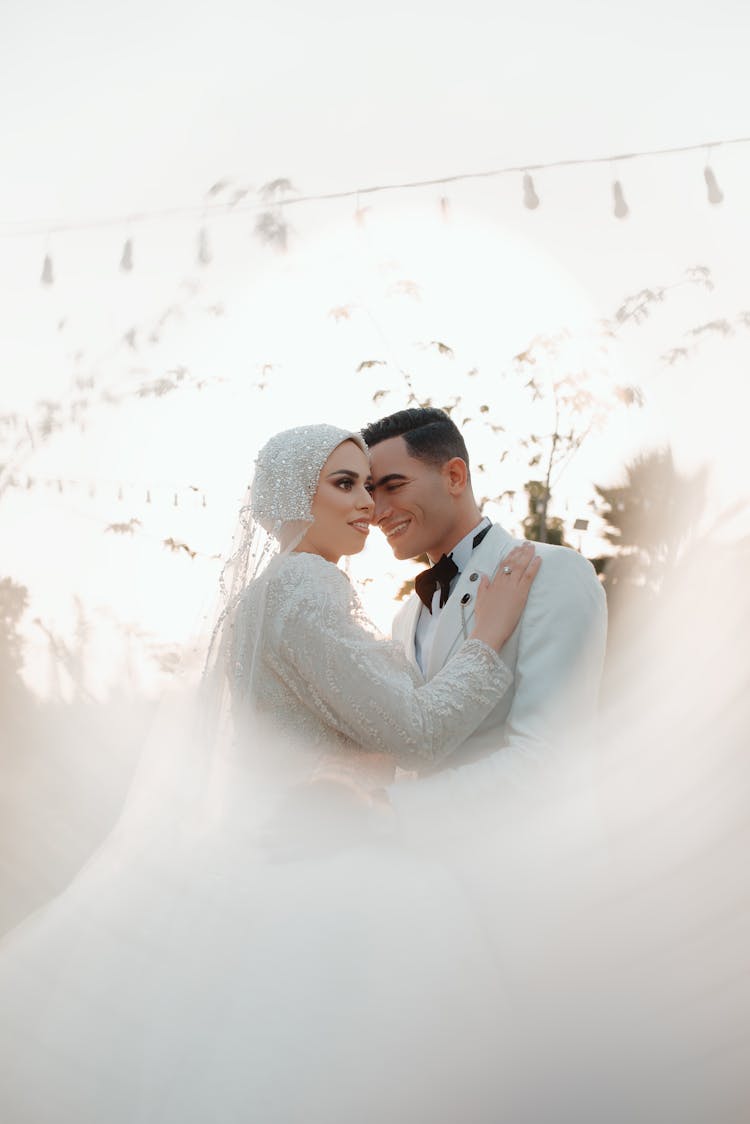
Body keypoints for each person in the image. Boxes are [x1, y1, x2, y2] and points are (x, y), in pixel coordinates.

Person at [0, 422, 541, 1123]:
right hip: (329, 866)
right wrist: (489, 638)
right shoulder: (302, 589)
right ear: (291, 496)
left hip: (284, 853)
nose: (368, 504)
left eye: (372, 485)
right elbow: (417, 733)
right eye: (344, 484)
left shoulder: (274, 595)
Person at [361, 407, 607, 809]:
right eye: (372, 493)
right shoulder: (404, 619)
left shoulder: (553, 572)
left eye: (394, 485)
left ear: (454, 476)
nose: (377, 511)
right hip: (420, 864)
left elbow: (547, 759)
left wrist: (386, 811)